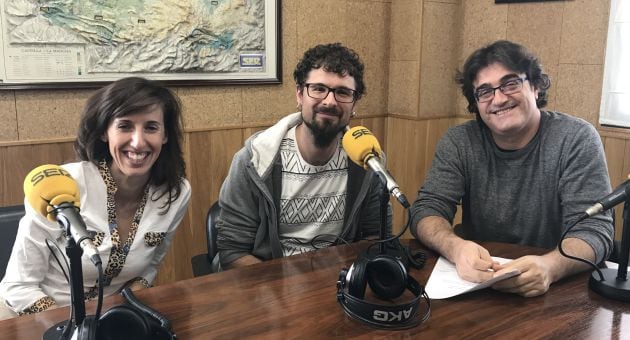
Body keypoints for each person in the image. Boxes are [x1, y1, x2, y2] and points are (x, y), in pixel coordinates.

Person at [411, 40, 614, 297]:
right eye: (484, 91)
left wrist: (550, 267)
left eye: (510, 84)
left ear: (536, 86)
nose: (498, 98)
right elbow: (427, 209)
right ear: (476, 104)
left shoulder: (576, 139)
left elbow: (595, 231)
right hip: (479, 285)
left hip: (557, 288)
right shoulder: (460, 141)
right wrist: (455, 247)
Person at [0, 77, 191, 318]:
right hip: (35, 315)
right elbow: (18, 287)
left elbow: (151, 267)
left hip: (111, 318)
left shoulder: (176, 192)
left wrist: (123, 310)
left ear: (165, 135)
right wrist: (73, 327)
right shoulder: (61, 185)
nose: (138, 141)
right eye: (125, 126)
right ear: (104, 132)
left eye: (151, 127)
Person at [216, 43, 391, 269]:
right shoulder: (254, 159)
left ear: (354, 103)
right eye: (318, 89)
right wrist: (284, 292)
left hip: (338, 282)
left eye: (342, 92)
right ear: (300, 94)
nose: (329, 101)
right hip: (270, 284)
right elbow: (232, 250)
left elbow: (376, 238)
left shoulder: (367, 161)